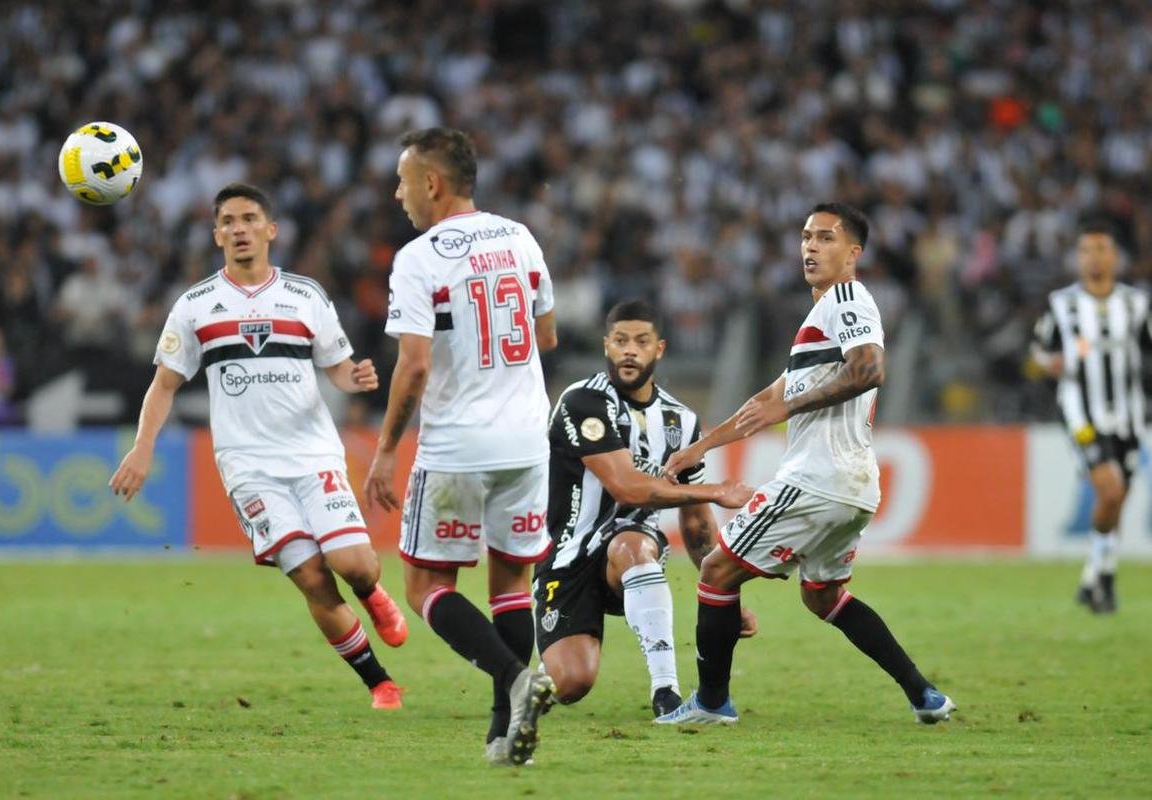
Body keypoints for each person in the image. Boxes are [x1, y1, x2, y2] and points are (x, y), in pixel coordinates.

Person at [109, 183, 407, 709]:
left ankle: (371, 594)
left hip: (313, 453)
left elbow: (334, 364)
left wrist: (352, 377)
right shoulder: (196, 306)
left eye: (249, 218)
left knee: (355, 564)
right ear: (217, 234)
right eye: (228, 220)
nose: (239, 228)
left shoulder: (305, 295)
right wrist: (142, 447)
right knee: (313, 578)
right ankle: (380, 683)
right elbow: (164, 384)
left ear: (271, 230)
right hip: (248, 467)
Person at [656, 203, 956, 726]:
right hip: (854, 488)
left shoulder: (847, 298)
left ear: (853, 253)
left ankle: (710, 703)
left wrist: (788, 407)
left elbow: (870, 370)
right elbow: (765, 400)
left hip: (817, 478)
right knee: (823, 597)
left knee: (716, 571)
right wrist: (701, 447)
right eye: (805, 237)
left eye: (826, 238)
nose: (811, 247)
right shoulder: (819, 322)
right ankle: (925, 695)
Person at [364, 127, 557, 766]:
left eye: (402, 181)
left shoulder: (420, 258)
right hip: (528, 437)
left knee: (424, 584)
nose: (398, 195)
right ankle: (505, 739)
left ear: (431, 183)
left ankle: (513, 678)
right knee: (511, 579)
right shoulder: (520, 237)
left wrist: (388, 448)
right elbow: (546, 335)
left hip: (457, 445)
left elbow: (414, 366)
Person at [534, 300, 755, 719]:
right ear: (606, 347)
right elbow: (626, 486)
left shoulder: (681, 421)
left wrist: (725, 595)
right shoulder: (582, 402)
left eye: (641, 341)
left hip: (631, 554)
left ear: (660, 349)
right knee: (573, 681)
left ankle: (666, 692)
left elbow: (696, 526)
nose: (629, 351)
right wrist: (714, 491)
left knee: (633, 541)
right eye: (620, 341)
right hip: (567, 556)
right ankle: (528, 684)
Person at [1031, 220, 1147, 614]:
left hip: (1129, 415)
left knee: (1117, 500)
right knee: (1110, 491)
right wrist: (1052, 363)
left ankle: (1095, 576)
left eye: (1102, 249)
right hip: (1081, 412)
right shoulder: (1061, 303)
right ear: (1077, 258)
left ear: (1115, 257)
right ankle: (1106, 580)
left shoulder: (1137, 304)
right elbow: (1040, 350)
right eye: (1086, 250)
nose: (1094, 257)